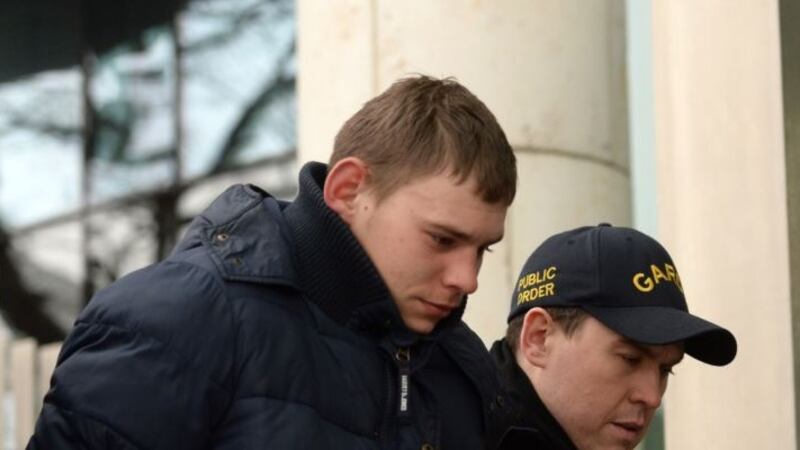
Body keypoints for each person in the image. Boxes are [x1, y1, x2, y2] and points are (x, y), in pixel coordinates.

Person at [27, 76, 517, 450]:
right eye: (441, 238)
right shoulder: (179, 319)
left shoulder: (462, 364)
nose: (467, 279)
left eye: (482, 248)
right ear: (349, 191)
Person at [488, 224, 737, 450]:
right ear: (539, 338)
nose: (653, 397)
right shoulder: (456, 431)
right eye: (630, 359)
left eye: (665, 370)